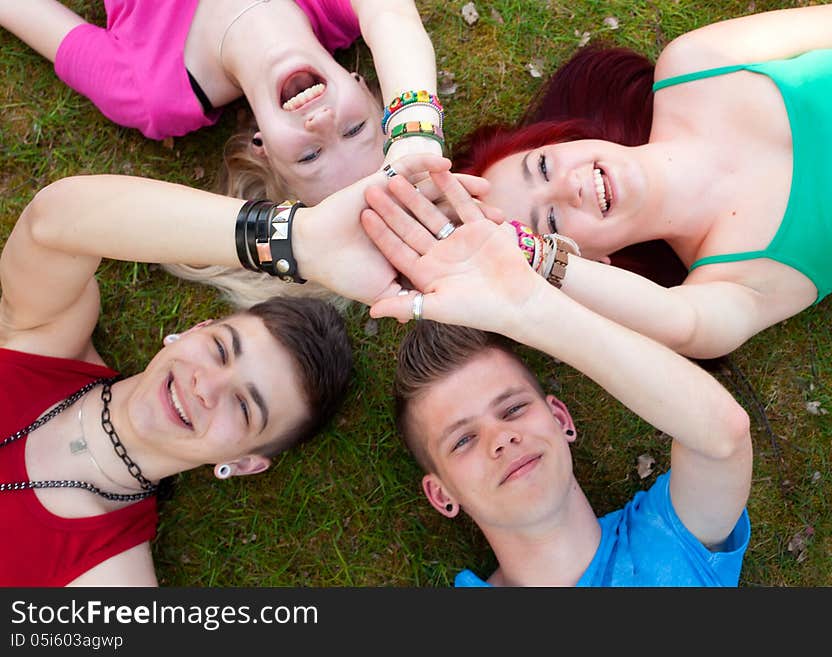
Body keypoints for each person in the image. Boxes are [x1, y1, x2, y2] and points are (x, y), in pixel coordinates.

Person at [0, 159, 470, 584]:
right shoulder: (48, 339)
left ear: (244, 463)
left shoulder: (108, 579)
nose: (207, 385)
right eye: (222, 350)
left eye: (245, 407)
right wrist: (296, 239)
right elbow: (54, 220)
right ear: (191, 330)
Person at [359, 169, 753, 586]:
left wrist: (531, 308)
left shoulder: (668, 540)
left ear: (561, 420)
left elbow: (722, 438)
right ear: (443, 495)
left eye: (513, 409)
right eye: (463, 440)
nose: (502, 438)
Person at [453, 0, 832, 360]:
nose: (569, 187)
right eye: (550, 224)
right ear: (590, 263)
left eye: (543, 166)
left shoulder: (694, 62)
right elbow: (681, 324)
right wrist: (527, 262)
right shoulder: (725, 286)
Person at [0, 0, 442, 206]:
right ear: (363, 84)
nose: (323, 123)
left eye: (309, 157)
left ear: (261, 145)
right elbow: (393, 19)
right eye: (355, 129)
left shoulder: (152, 92)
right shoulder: (344, 8)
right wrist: (416, 129)